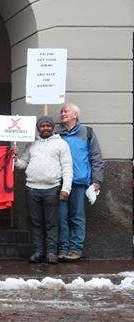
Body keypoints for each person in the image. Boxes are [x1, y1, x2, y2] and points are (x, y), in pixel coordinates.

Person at [15, 116, 72, 264]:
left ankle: (51, 252)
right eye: (42, 126)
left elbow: (67, 168)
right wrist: (14, 159)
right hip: (32, 189)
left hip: (52, 189)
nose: (45, 128)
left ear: (52, 128)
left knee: (52, 223)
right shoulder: (31, 144)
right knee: (35, 222)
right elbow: (23, 164)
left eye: (48, 125)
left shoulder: (61, 144)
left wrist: (66, 189)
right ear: (38, 128)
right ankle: (39, 251)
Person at [55, 103, 105, 262]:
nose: (62, 113)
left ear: (75, 115)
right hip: (60, 182)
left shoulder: (87, 132)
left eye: (66, 111)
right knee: (61, 217)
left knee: (77, 216)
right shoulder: (56, 133)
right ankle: (62, 248)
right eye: (61, 111)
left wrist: (96, 180)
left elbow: (96, 158)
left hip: (79, 182)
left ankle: (75, 249)